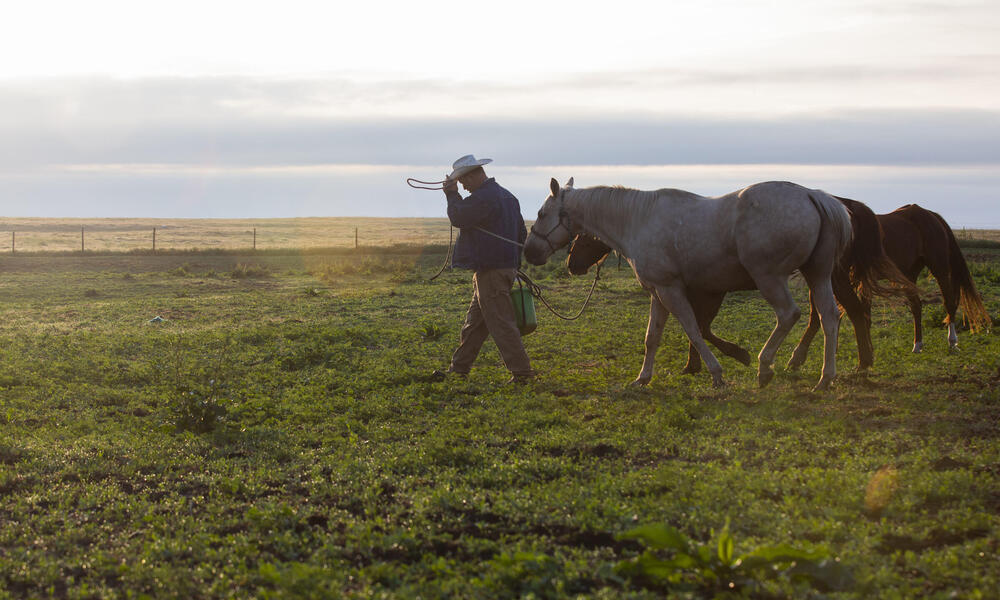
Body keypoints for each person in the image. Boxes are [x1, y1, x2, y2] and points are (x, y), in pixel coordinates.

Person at [431, 154, 535, 384]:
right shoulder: (508, 196)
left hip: (491, 270)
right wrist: (513, 264)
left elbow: (458, 216)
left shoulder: (484, 198)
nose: (464, 186)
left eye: (464, 181)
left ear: (475, 175)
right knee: (475, 324)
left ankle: (522, 374)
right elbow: (521, 234)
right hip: (501, 269)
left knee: (500, 323)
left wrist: (451, 195)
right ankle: (458, 369)